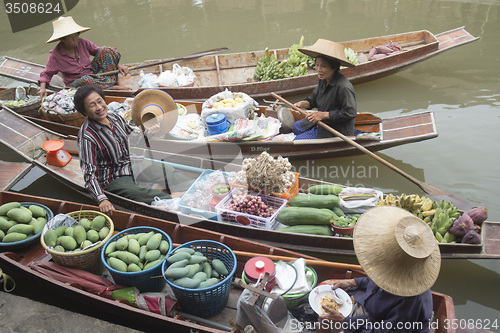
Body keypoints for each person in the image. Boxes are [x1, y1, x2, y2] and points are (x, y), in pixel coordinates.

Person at [318, 205, 441, 333]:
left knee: (328, 322)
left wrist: (345, 322)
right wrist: (352, 282)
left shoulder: (411, 301)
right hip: (370, 308)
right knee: (325, 304)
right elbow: (376, 278)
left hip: (379, 325)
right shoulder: (389, 268)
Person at [75, 84, 191, 216]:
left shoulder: (114, 117)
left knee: (167, 170)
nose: (99, 107)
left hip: (131, 163)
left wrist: (149, 132)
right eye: (92, 105)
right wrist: (102, 198)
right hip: (112, 176)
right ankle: (172, 199)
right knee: (137, 193)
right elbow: (89, 172)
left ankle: (193, 188)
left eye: (99, 101)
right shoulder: (86, 135)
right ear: (84, 112)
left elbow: (133, 138)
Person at [38, 16, 130, 99]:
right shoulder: (55, 55)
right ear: (63, 40)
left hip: (92, 74)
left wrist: (119, 64)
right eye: (72, 38)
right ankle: (113, 87)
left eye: (77, 35)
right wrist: (42, 89)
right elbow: (47, 73)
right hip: (77, 82)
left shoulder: (83, 42)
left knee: (106, 50)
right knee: (86, 79)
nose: (76, 39)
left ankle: (114, 82)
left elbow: (101, 53)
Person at [292, 39, 357, 140]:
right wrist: (301, 104)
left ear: (334, 68)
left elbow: (350, 112)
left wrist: (324, 115)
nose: (318, 69)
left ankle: (315, 132)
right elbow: (313, 100)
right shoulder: (323, 80)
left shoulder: (343, 87)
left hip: (336, 129)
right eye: (317, 65)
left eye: (324, 66)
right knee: (296, 127)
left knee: (298, 141)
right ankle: (314, 129)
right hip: (321, 121)